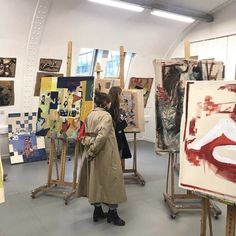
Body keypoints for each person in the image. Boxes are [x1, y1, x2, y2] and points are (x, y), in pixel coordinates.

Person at [77, 91, 127, 226]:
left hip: (92, 152)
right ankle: (112, 213)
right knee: (112, 181)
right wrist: (93, 151)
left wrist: (89, 148)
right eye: (109, 101)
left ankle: (97, 211)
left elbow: (83, 134)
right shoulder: (106, 116)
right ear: (105, 103)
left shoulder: (89, 114)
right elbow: (102, 137)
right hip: (105, 153)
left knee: (95, 181)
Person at [108, 87, 132, 159]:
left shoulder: (114, 108)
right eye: (121, 94)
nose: (123, 96)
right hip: (115, 139)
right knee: (116, 162)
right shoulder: (113, 109)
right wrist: (126, 121)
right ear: (117, 95)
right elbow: (115, 127)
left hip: (117, 138)